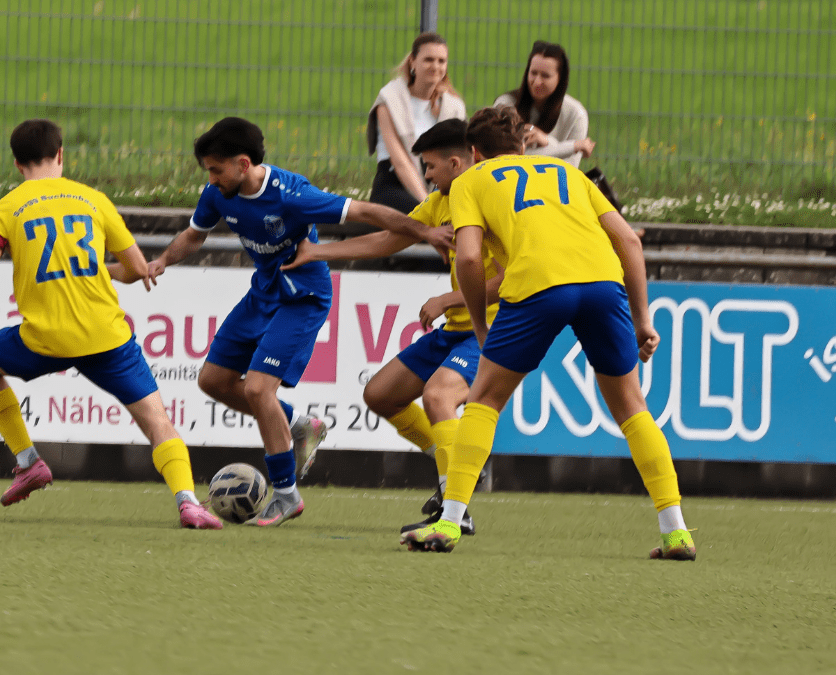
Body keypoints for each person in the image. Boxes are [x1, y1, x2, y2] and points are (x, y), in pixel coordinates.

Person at [401, 106, 694, 560]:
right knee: (632, 407)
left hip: (538, 285)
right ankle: (675, 531)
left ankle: (449, 523)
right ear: (522, 145)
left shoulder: (472, 182)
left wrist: (480, 325)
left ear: (474, 152)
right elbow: (630, 242)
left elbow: (471, 259)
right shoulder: (568, 173)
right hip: (602, 283)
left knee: (483, 401)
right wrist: (643, 320)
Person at [140, 116, 453, 527]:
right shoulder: (218, 193)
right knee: (212, 380)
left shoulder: (292, 195)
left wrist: (425, 232)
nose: (211, 179)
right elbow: (195, 235)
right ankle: (299, 424)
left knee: (257, 389)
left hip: (302, 297)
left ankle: (286, 495)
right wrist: (162, 259)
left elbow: (364, 209)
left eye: (216, 170)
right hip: (263, 293)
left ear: (243, 163)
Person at [0, 119, 222, 530]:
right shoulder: (92, 200)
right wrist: (104, 271)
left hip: (44, 339)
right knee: (156, 420)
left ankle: (27, 461)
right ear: (61, 155)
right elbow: (135, 269)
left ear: (16, 163)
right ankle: (188, 502)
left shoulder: (7, 208)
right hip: (106, 336)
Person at [281, 119, 502, 535]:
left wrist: (447, 299)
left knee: (438, 396)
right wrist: (317, 253)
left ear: (456, 162)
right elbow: (387, 240)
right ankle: (455, 464)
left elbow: (511, 276)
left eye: (430, 166)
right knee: (380, 394)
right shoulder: (441, 202)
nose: (426, 175)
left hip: (493, 330)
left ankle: (456, 505)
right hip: (456, 330)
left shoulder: (490, 200)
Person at [366, 32, 466, 214]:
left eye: (441, 61)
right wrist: (427, 204)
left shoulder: (453, 106)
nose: (435, 66)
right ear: (413, 62)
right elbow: (400, 162)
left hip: (436, 185)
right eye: (428, 60)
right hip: (393, 184)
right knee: (423, 218)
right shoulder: (389, 99)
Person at [493, 41, 595, 169]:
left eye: (545, 76)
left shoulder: (576, 114)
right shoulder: (505, 105)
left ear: (560, 78)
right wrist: (572, 147)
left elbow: (569, 170)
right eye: (533, 73)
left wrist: (546, 141)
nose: (537, 82)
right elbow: (503, 160)